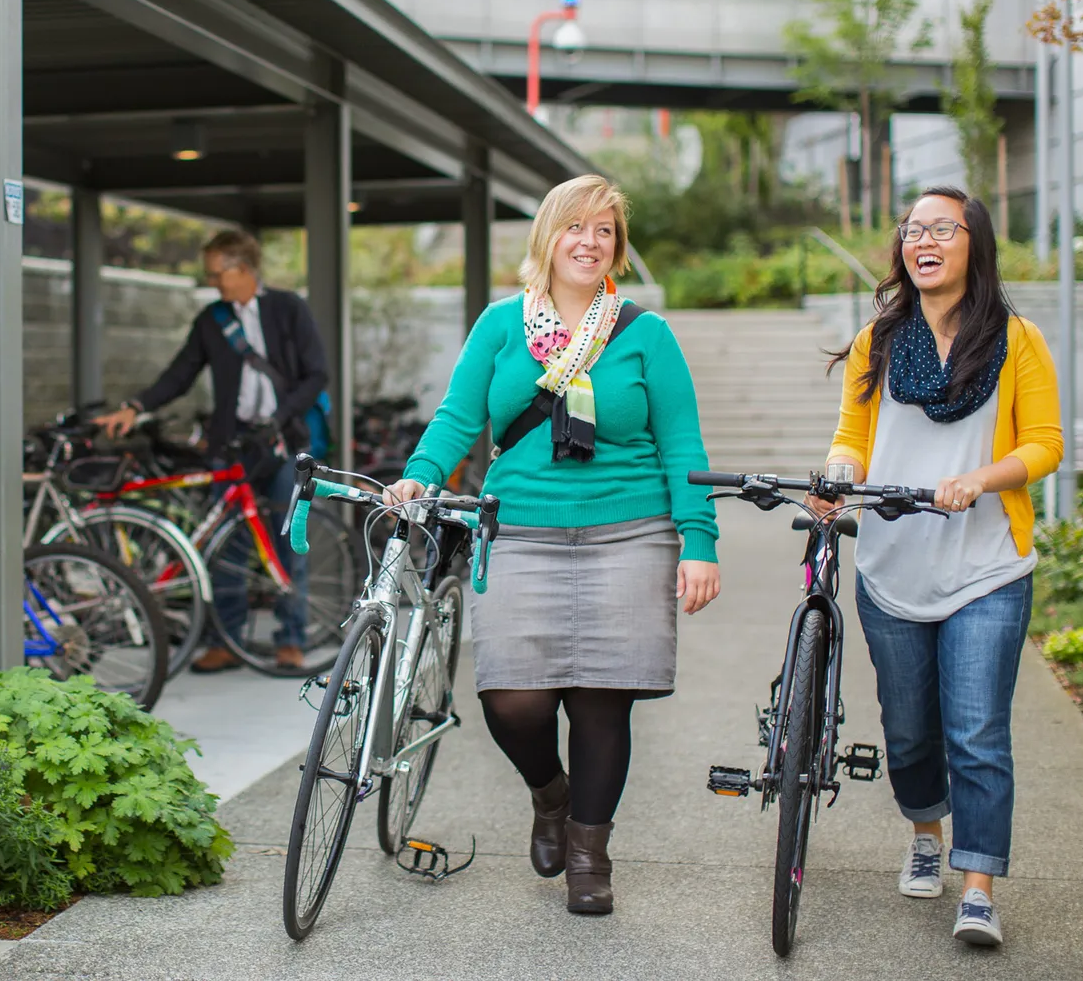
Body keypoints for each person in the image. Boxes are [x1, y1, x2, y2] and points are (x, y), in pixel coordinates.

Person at [384, 174, 721, 916]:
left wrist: (700, 538)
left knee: (603, 701)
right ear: (548, 235)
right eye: (577, 227)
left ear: (617, 248)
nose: (590, 242)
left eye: (605, 231)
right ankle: (550, 794)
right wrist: (419, 477)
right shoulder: (502, 325)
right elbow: (457, 416)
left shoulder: (646, 334)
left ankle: (588, 859)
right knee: (513, 699)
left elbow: (682, 442)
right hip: (522, 529)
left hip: (630, 531)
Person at [807, 185, 1063, 948]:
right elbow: (851, 436)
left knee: (978, 731)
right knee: (911, 732)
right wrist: (836, 478)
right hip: (893, 564)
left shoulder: (1016, 340)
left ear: (973, 244)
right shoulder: (877, 342)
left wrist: (981, 480)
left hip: (986, 566)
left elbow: (1045, 443)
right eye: (913, 229)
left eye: (941, 228)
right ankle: (926, 830)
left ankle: (978, 884)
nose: (924, 240)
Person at [94, 229, 328, 673]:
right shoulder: (212, 320)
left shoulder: (288, 309)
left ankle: (290, 639)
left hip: (282, 442)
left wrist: (280, 416)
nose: (213, 282)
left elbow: (316, 375)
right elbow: (180, 373)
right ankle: (225, 639)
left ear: (242, 269)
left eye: (217, 273)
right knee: (227, 546)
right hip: (232, 444)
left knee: (287, 542)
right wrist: (136, 406)